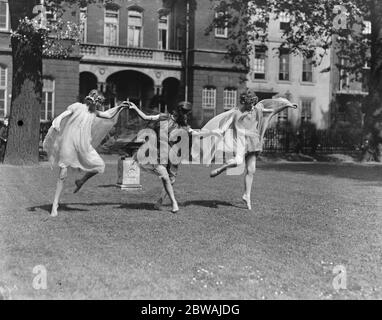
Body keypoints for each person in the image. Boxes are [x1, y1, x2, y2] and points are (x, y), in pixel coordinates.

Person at [192, 89, 298, 210]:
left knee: (251, 170)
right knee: (238, 162)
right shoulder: (236, 113)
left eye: (253, 102)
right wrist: (202, 133)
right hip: (241, 142)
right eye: (249, 103)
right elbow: (222, 129)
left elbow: (272, 111)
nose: (251, 106)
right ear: (244, 102)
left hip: (254, 143)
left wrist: (287, 106)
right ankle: (222, 168)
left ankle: (246, 195)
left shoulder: (257, 110)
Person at [43, 90, 129, 217]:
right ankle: (55, 205)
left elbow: (107, 115)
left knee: (100, 166)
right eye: (99, 102)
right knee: (62, 174)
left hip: (84, 145)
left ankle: (81, 181)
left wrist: (120, 107)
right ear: (93, 99)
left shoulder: (94, 113)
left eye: (100, 103)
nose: (99, 105)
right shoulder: (78, 106)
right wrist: (57, 122)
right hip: (69, 143)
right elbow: (65, 114)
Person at [128, 101, 220, 213]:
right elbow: (146, 117)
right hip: (157, 153)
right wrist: (135, 108)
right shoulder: (164, 117)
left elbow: (197, 134)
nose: (186, 115)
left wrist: (212, 133)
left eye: (187, 113)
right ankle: (174, 203)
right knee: (165, 177)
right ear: (180, 111)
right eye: (185, 112)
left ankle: (159, 202)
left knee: (171, 180)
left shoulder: (183, 125)